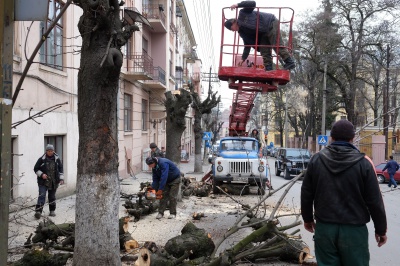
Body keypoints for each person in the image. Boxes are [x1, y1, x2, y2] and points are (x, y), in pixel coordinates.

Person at [301, 120, 387, 266]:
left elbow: (306, 193)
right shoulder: (364, 163)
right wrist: (380, 230)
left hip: (325, 228)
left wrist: (308, 219)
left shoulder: (316, 160)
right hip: (354, 231)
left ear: (331, 137)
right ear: (352, 138)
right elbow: (374, 200)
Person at [225, 1, 295, 71]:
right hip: (263, 32)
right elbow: (247, 45)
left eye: (231, 29)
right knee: (263, 48)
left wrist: (238, 5)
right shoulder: (242, 33)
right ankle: (268, 68)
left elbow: (252, 3)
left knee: (275, 43)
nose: (233, 31)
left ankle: (289, 62)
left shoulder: (243, 14)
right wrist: (243, 58)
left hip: (270, 22)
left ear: (233, 22)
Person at [33, 144, 64, 219]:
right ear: (46, 151)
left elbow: (61, 169)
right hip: (43, 182)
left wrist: (61, 179)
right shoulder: (41, 159)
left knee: (52, 196)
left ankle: (52, 210)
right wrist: (42, 174)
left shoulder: (57, 159)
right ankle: (38, 212)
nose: (50, 152)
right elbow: (35, 168)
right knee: (42, 196)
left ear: (53, 151)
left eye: (51, 151)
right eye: (49, 151)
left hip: (53, 181)